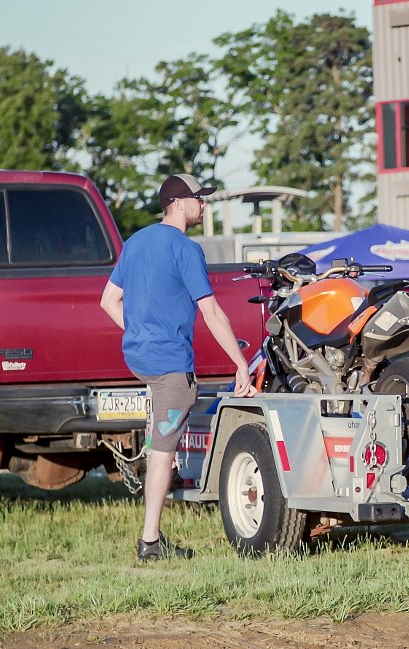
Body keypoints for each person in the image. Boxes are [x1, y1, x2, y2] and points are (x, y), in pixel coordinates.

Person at [100, 173, 257, 561]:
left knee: (161, 447)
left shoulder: (136, 242)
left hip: (139, 358)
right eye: (199, 200)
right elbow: (211, 311)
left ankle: (152, 537)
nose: (204, 206)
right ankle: (150, 542)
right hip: (169, 366)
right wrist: (241, 365)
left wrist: (140, 330)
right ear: (178, 202)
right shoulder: (186, 250)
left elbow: (108, 301)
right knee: (162, 454)